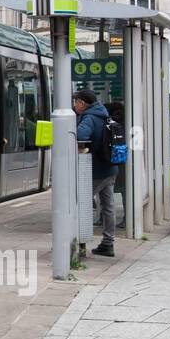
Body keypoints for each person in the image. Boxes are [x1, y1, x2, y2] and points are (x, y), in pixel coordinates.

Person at [74, 89, 118, 258]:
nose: (75, 105)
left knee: (81, 204)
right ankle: (108, 243)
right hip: (110, 168)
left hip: (96, 170)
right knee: (108, 207)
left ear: (82, 103)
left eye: (76, 102)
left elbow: (80, 135)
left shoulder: (89, 117)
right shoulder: (104, 114)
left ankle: (79, 244)